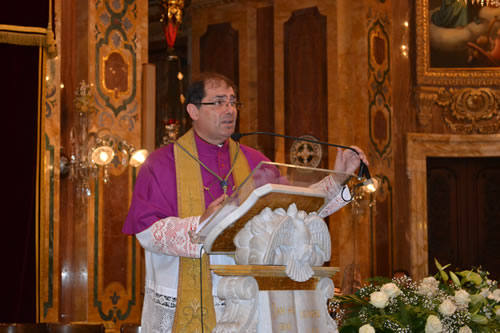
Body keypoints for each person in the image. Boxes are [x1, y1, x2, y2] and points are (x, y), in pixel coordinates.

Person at [122, 72, 369, 333]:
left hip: (247, 301)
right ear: (193, 110)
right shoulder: (161, 163)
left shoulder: (254, 161)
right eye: (218, 102)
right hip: (184, 297)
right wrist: (202, 224)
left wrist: (338, 178)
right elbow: (147, 233)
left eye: (233, 102)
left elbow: (293, 212)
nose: (229, 110)